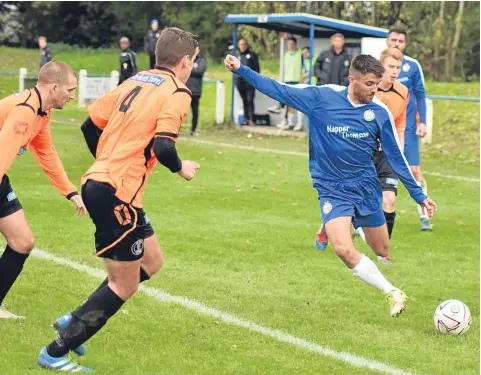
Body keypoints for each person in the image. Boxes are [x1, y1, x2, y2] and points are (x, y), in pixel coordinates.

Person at [37, 27, 200, 372]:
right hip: (115, 194)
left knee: (151, 261)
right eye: (194, 62)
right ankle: (55, 352)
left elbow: (89, 125)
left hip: (108, 186)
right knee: (123, 285)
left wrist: (108, 163)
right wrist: (181, 167)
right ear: (185, 61)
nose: (192, 68)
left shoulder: (138, 79)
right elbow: (164, 146)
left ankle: (74, 320)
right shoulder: (177, 91)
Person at [224, 53, 437, 317]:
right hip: (332, 188)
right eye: (370, 84)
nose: (376, 89)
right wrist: (241, 69)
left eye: (377, 83)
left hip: (365, 188)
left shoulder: (379, 112)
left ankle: (339, 222)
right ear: (353, 80)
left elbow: (396, 157)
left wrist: (419, 196)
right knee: (344, 249)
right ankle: (391, 291)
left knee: (381, 249)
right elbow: (279, 90)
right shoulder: (321, 97)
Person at [0, 61, 86, 320]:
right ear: (54, 87)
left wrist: (70, 191)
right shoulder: (25, 110)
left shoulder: (41, 112)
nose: (73, 95)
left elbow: (46, 153)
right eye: (70, 89)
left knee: (22, 242)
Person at [316, 48, 410, 263]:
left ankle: (382, 253)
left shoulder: (403, 92)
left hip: (385, 154)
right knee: (356, 197)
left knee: (388, 200)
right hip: (361, 154)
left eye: (397, 67)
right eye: (390, 67)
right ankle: (331, 223)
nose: (394, 72)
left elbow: (400, 126)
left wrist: (398, 155)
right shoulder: (361, 93)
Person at [387, 27, 432, 231]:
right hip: (383, 129)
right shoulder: (378, 65)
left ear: (405, 44)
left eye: (401, 41)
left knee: (414, 171)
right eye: (393, 39)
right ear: (387, 41)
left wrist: (422, 121)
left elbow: (420, 94)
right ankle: (364, 219)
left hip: (408, 128)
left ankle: (424, 215)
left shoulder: (412, 66)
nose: (396, 43)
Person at [277, 36, 303, 130]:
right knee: (288, 103)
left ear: (295, 44)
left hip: (297, 81)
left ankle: (298, 123)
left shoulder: (300, 54)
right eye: (289, 44)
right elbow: (283, 68)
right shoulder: (286, 55)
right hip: (287, 81)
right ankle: (289, 122)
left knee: (297, 102)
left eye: (292, 44)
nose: (291, 45)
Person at [236, 39, 259, 125]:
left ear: (246, 45)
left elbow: (257, 68)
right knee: (244, 100)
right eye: (241, 45)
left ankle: (252, 119)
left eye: (244, 44)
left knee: (250, 100)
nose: (242, 46)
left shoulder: (252, 55)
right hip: (240, 82)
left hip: (249, 82)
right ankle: (246, 119)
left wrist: (255, 80)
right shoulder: (237, 55)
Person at [186, 46, 206, 136]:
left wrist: (189, 69)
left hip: (196, 90)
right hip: (185, 89)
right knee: (180, 111)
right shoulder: (186, 59)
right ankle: (175, 129)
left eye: (196, 49)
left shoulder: (201, 60)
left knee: (195, 111)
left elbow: (200, 71)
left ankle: (193, 130)